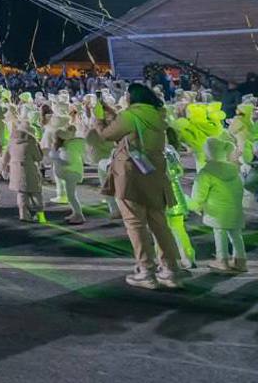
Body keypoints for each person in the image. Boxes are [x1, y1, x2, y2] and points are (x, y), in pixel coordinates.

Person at [96, 83, 186, 289]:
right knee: (159, 224)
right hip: (155, 174)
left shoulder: (130, 116)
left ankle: (146, 271)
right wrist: (114, 113)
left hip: (131, 175)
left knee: (135, 224)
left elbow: (107, 135)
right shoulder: (157, 115)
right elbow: (131, 128)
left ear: (131, 97)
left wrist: (99, 119)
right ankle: (171, 270)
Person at [187, 136, 247, 273]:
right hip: (235, 209)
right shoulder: (234, 170)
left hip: (217, 211)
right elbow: (240, 190)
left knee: (220, 234)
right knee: (236, 235)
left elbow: (198, 196)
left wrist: (193, 205)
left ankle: (222, 261)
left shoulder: (206, 172)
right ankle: (240, 261)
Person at [1, 121, 44, 222]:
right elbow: (38, 158)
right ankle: (40, 216)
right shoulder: (31, 143)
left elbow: (4, 158)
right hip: (30, 170)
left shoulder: (11, 142)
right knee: (35, 193)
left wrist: (3, 169)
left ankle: (23, 214)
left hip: (15, 171)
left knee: (21, 193)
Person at [50, 125, 87, 224]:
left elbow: (68, 161)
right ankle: (76, 213)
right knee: (71, 195)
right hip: (71, 172)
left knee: (71, 196)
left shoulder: (68, 147)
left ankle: (79, 215)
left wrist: (56, 158)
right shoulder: (67, 146)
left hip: (72, 173)